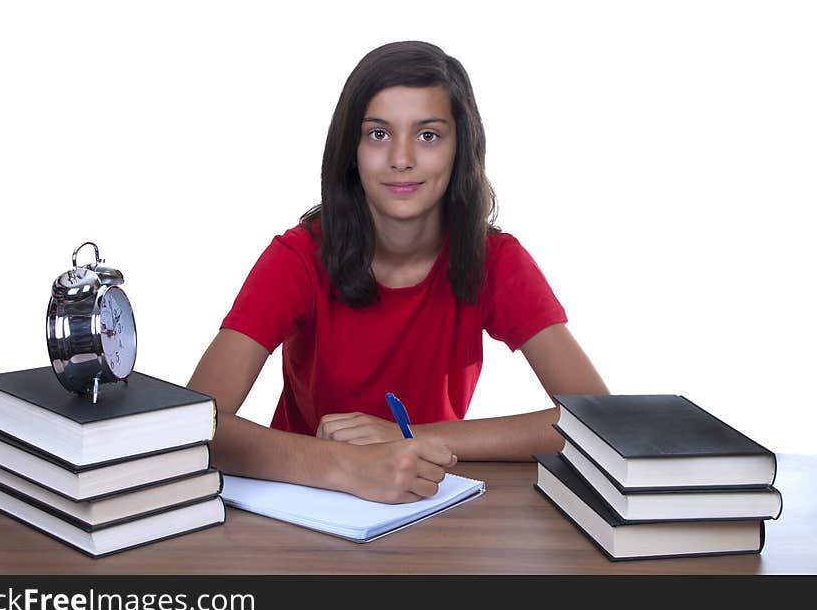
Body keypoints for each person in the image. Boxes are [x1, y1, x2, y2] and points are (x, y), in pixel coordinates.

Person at [187, 41, 608, 504]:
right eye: (378, 134)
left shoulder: (496, 260)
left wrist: (407, 438)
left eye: (428, 135)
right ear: (351, 149)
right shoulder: (299, 257)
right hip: (302, 504)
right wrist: (347, 466)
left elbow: (599, 423)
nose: (401, 158)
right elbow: (192, 424)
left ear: (459, 148)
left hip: (430, 499)